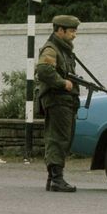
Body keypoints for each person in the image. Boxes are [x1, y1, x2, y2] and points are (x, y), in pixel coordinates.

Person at [36, 15, 81, 192]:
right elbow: (43, 70)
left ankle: (52, 178)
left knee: (63, 137)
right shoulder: (51, 48)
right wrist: (63, 83)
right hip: (57, 99)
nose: (74, 35)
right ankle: (56, 179)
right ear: (59, 30)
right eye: (71, 31)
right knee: (59, 138)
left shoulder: (63, 49)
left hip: (64, 100)